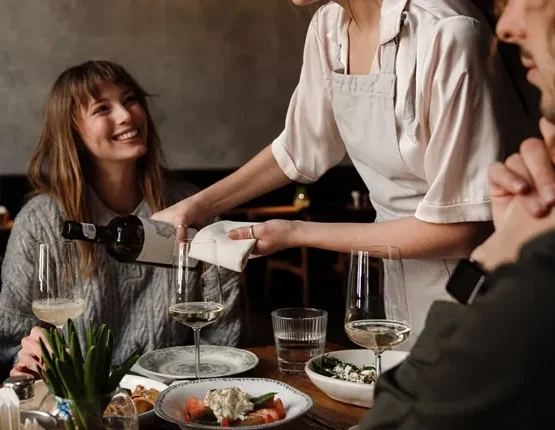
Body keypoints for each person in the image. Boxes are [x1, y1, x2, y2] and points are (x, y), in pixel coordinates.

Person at [152, 0, 533, 344]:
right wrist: (196, 206)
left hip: (486, 281)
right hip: (399, 276)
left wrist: (296, 233)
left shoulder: (447, 30)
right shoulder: (329, 26)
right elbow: (299, 150)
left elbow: (462, 227)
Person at [359, 0, 555, 427]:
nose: (505, 27)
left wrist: (491, 258)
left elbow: (390, 420)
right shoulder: (328, 31)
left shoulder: (538, 289)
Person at [0, 60, 243, 376]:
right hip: (78, 399)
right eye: (102, 109)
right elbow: (10, 341)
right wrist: (27, 356)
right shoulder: (40, 221)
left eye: (130, 100)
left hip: (178, 394)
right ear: (73, 131)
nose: (125, 116)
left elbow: (223, 336)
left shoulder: (194, 209)